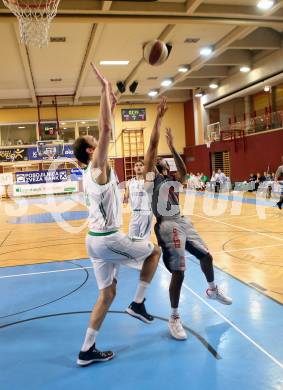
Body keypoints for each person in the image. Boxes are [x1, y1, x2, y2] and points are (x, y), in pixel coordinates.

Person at [73, 64, 160, 366]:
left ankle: (86, 350)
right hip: (108, 239)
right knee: (155, 253)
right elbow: (107, 128)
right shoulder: (97, 167)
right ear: (89, 152)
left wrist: (111, 99)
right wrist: (102, 89)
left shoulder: (91, 171)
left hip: (94, 242)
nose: (97, 141)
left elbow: (107, 126)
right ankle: (137, 304)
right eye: (92, 141)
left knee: (107, 295)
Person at [144, 99, 232, 341]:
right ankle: (174, 317)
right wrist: (159, 118)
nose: (159, 159)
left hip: (181, 220)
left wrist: (173, 147)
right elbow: (152, 145)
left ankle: (212, 289)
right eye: (158, 158)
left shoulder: (169, 175)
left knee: (207, 256)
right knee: (179, 272)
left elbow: (184, 174)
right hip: (166, 224)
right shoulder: (150, 177)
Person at [124, 160, 153, 239]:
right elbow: (125, 199)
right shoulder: (130, 182)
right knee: (131, 239)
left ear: (144, 168)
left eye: (141, 165)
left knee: (143, 240)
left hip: (146, 213)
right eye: (136, 165)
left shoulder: (148, 181)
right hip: (134, 214)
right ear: (134, 168)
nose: (138, 167)